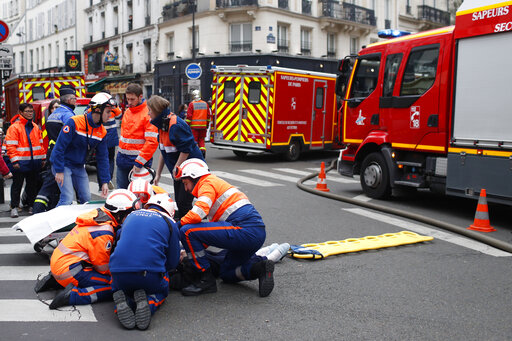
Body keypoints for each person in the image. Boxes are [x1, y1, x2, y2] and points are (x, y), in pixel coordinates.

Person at [175, 158, 275, 297]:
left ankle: (205, 280)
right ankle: (260, 268)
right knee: (226, 273)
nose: (186, 189)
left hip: (243, 230)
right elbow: (206, 237)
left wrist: (175, 226)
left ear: (194, 176)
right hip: (254, 234)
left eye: (185, 183)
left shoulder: (207, 182)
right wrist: (185, 250)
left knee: (187, 231)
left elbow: (198, 213)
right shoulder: (215, 184)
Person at [38, 189, 140, 309]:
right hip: (70, 271)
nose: (131, 215)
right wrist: (121, 273)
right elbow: (102, 267)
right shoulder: (103, 231)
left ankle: (56, 280)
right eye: (130, 212)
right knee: (114, 284)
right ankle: (73, 296)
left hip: (60, 263)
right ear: (119, 213)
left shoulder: (98, 215)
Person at [110, 193, 180, 330]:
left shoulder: (131, 216)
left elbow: (119, 240)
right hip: (147, 274)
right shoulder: (170, 222)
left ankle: (123, 303)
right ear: (170, 211)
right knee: (163, 289)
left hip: (118, 272)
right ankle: (149, 303)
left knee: (124, 287)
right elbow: (172, 262)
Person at [50, 92, 114, 206]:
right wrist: (59, 170)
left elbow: (103, 158)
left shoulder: (102, 131)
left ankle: (81, 223)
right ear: (98, 110)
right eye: (108, 111)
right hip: (63, 164)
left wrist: (104, 181)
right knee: (67, 198)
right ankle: (58, 223)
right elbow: (59, 148)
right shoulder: (74, 122)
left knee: (86, 198)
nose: (110, 115)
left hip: (78, 166)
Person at [147, 95, 204, 220]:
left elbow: (186, 149)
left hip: (191, 170)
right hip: (180, 171)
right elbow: (164, 151)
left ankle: (189, 228)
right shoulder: (162, 125)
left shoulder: (175, 125)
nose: (148, 113)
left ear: (156, 110)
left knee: (184, 202)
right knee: (180, 202)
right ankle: (187, 224)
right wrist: (158, 174)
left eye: (150, 110)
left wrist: (176, 167)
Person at [5, 103, 47, 217]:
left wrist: (43, 158)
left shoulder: (35, 127)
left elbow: (40, 144)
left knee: (32, 186)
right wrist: (14, 161)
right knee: (17, 185)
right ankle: (14, 206)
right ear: (21, 112)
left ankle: (31, 206)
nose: (30, 113)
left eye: (31, 111)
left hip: (34, 162)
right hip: (20, 163)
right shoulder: (14, 128)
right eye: (27, 111)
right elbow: (10, 146)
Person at [116, 83, 158, 189]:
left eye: (132, 99)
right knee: (123, 194)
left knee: (139, 193)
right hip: (123, 160)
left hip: (139, 162)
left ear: (140, 97)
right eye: (128, 99)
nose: (129, 102)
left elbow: (152, 142)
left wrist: (139, 163)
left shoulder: (148, 113)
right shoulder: (128, 111)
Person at [97, 105, 122, 190]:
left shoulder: (97, 107)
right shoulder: (113, 108)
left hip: (100, 137)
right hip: (111, 138)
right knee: (110, 160)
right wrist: (115, 106)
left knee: (101, 160)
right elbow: (120, 115)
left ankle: (102, 183)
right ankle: (108, 179)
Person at [186, 90, 211, 157]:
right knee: (201, 140)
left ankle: (196, 154)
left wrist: (187, 125)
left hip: (194, 127)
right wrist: (207, 124)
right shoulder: (205, 104)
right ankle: (203, 152)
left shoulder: (192, 104)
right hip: (203, 126)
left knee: (195, 141)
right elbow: (208, 116)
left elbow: (189, 116)